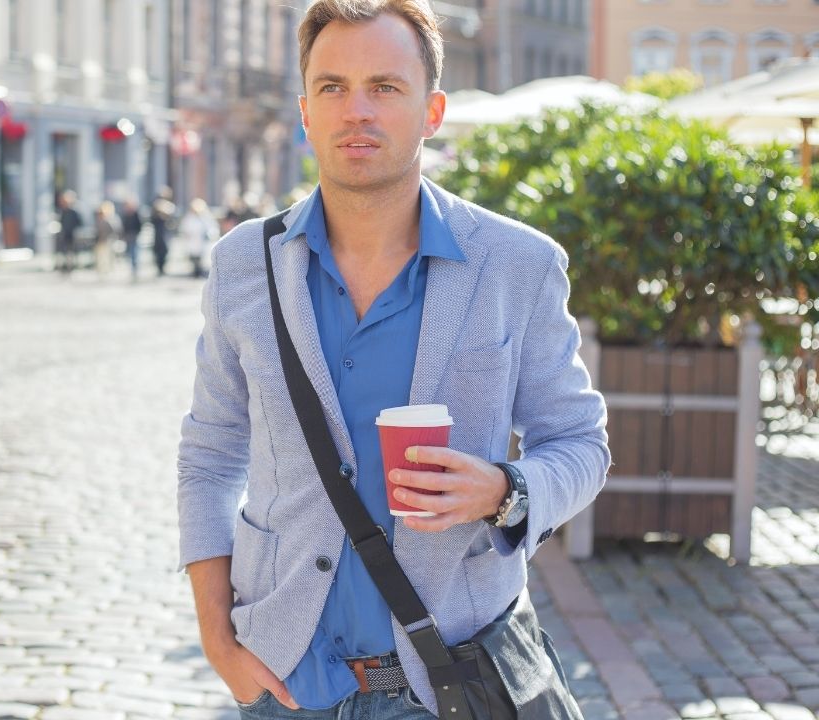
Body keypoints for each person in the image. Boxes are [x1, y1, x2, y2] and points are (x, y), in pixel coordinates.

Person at [176, 2, 609, 718]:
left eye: (385, 86)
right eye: (333, 87)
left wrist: (505, 489)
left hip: (449, 678)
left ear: (432, 109)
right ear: (306, 111)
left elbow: (581, 445)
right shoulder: (241, 265)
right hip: (287, 683)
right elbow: (209, 453)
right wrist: (218, 637)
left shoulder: (516, 265)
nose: (357, 111)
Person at [178, 198, 218, 279]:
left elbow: (212, 227)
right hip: (192, 239)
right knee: (193, 256)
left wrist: (210, 235)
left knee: (201, 257)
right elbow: (184, 228)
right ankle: (195, 270)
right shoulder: (189, 217)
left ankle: (200, 270)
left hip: (202, 240)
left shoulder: (205, 217)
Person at [150, 187, 176, 277]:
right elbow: (152, 219)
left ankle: (163, 267)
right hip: (158, 233)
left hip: (166, 232)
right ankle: (159, 267)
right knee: (157, 250)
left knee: (165, 250)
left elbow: (172, 221)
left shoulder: (170, 206)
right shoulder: (155, 206)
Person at [56, 190, 82, 275]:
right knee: (63, 252)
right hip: (65, 234)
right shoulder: (64, 211)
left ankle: (71, 267)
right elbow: (61, 221)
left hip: (72, 235)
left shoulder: (74, 212)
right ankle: (64, 267)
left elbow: (79, 222)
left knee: (71, 252)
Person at [93, 200, 121, 277]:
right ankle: (101, 271)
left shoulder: (111, 219)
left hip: (108, 241)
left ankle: (108, 271)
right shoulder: (98, 220)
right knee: (100, 257)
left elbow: (115, 230)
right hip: (100, 241)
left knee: (108, 256)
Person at [120, 197, 144, 282]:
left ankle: (135, 269)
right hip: (127, 236)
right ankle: (132, 269)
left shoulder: (136, 214)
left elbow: (140, 225)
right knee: (129, 253)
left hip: (134, 236)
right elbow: (123, 225)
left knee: (134, 253)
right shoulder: (125, 214)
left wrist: (137, 233)